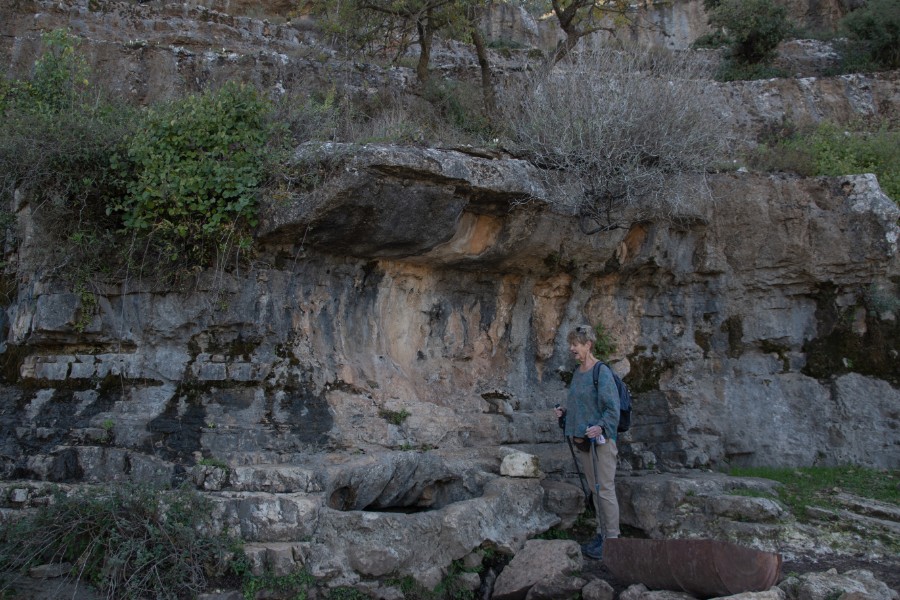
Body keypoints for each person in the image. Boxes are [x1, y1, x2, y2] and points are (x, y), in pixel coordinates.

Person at [554, 324, 621, 560]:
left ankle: (612, 540)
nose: (572, 349)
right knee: (594, 489)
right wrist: (565, 413)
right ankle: (601, 534)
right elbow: (580, 406)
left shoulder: (601, 372)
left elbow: (612, 410)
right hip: (584, 442)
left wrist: (600, 426)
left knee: (605, 489)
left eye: (576, 344)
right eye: (571, 344)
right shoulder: (578, 373)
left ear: (588, 344)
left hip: (601, 443)